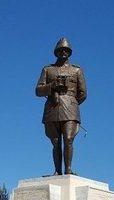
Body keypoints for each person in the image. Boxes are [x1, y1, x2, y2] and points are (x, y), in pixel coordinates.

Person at [35, 37, 87, 175]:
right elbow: (38, 90)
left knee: (68, 139)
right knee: (56, 142)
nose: (63, 52)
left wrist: (72, 102)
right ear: (56, 52)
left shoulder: (77, 70)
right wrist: (52, 87)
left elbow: (83, 93)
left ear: (69, 52)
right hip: (52, 108)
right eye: (61, 50)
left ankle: (68, 170)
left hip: (70, 109)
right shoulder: (48, 70)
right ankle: (57, 171)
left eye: (66, 50)